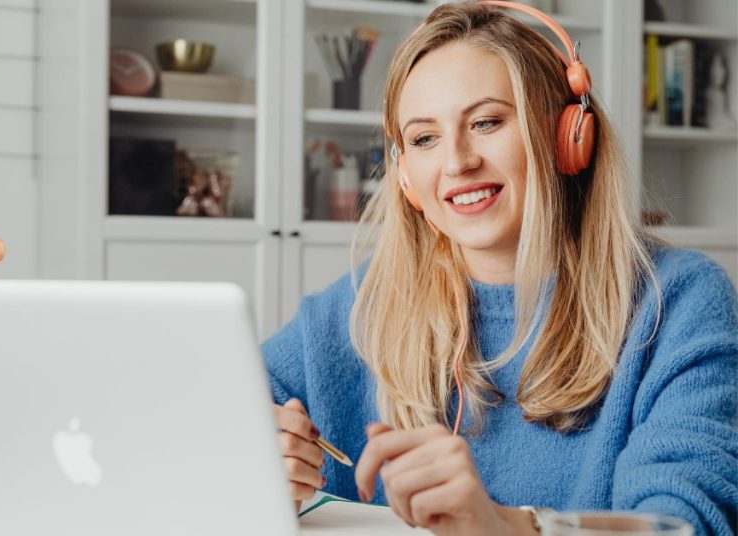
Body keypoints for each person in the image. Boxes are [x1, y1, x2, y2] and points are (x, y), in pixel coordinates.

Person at [262, 2, 738, 536]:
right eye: (424, 139)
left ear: (568, 137)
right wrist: (252, 452)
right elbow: (212, 408)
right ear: (404, 177)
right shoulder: (365, 299)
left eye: (486, 122)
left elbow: (685, 523)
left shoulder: (677, 300)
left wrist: (507, 526)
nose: (456, 161)